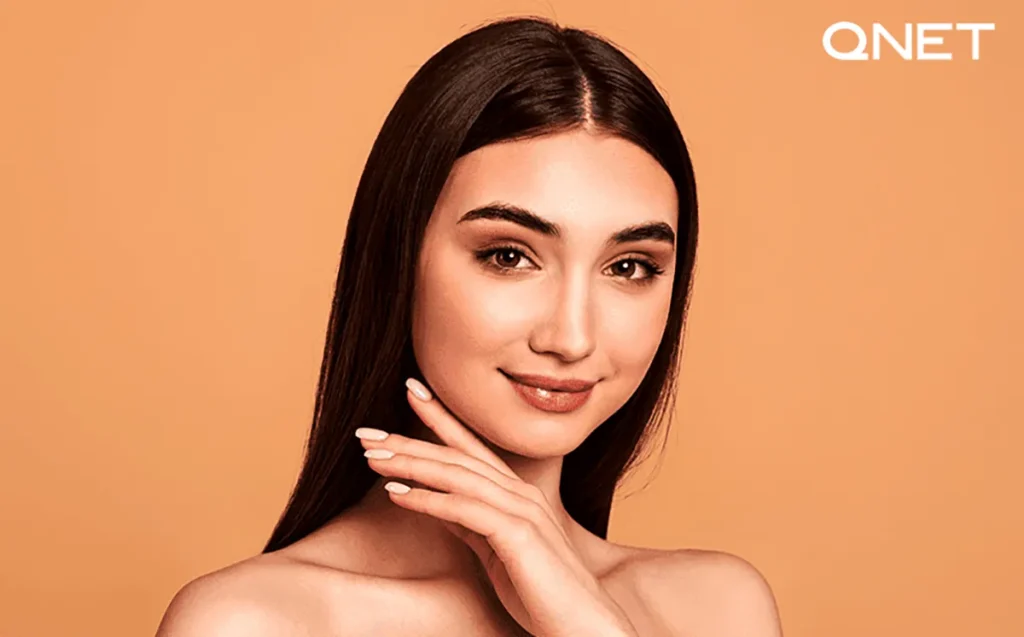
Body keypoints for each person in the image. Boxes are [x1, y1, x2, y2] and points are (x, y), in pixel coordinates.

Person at [155, 15, 783, 637]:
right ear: (399, 262)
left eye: (629, 266)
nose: (572, 338)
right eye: (508, 256)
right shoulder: (255, 622)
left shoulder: (718, 607)